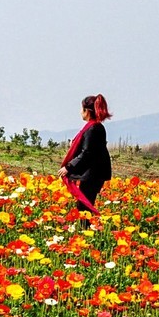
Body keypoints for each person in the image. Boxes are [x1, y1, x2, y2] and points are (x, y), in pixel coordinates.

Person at [58, 94, 112, 228]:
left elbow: (87, 153)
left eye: (81, 109)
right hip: (94, 173)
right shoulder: (94, 127)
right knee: (84, 204)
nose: (80, 112)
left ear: (87, 111)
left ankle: (85, 231)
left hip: (92, 174)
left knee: (84, 206)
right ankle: (85, 229)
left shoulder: (93, 128)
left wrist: (69, 167)